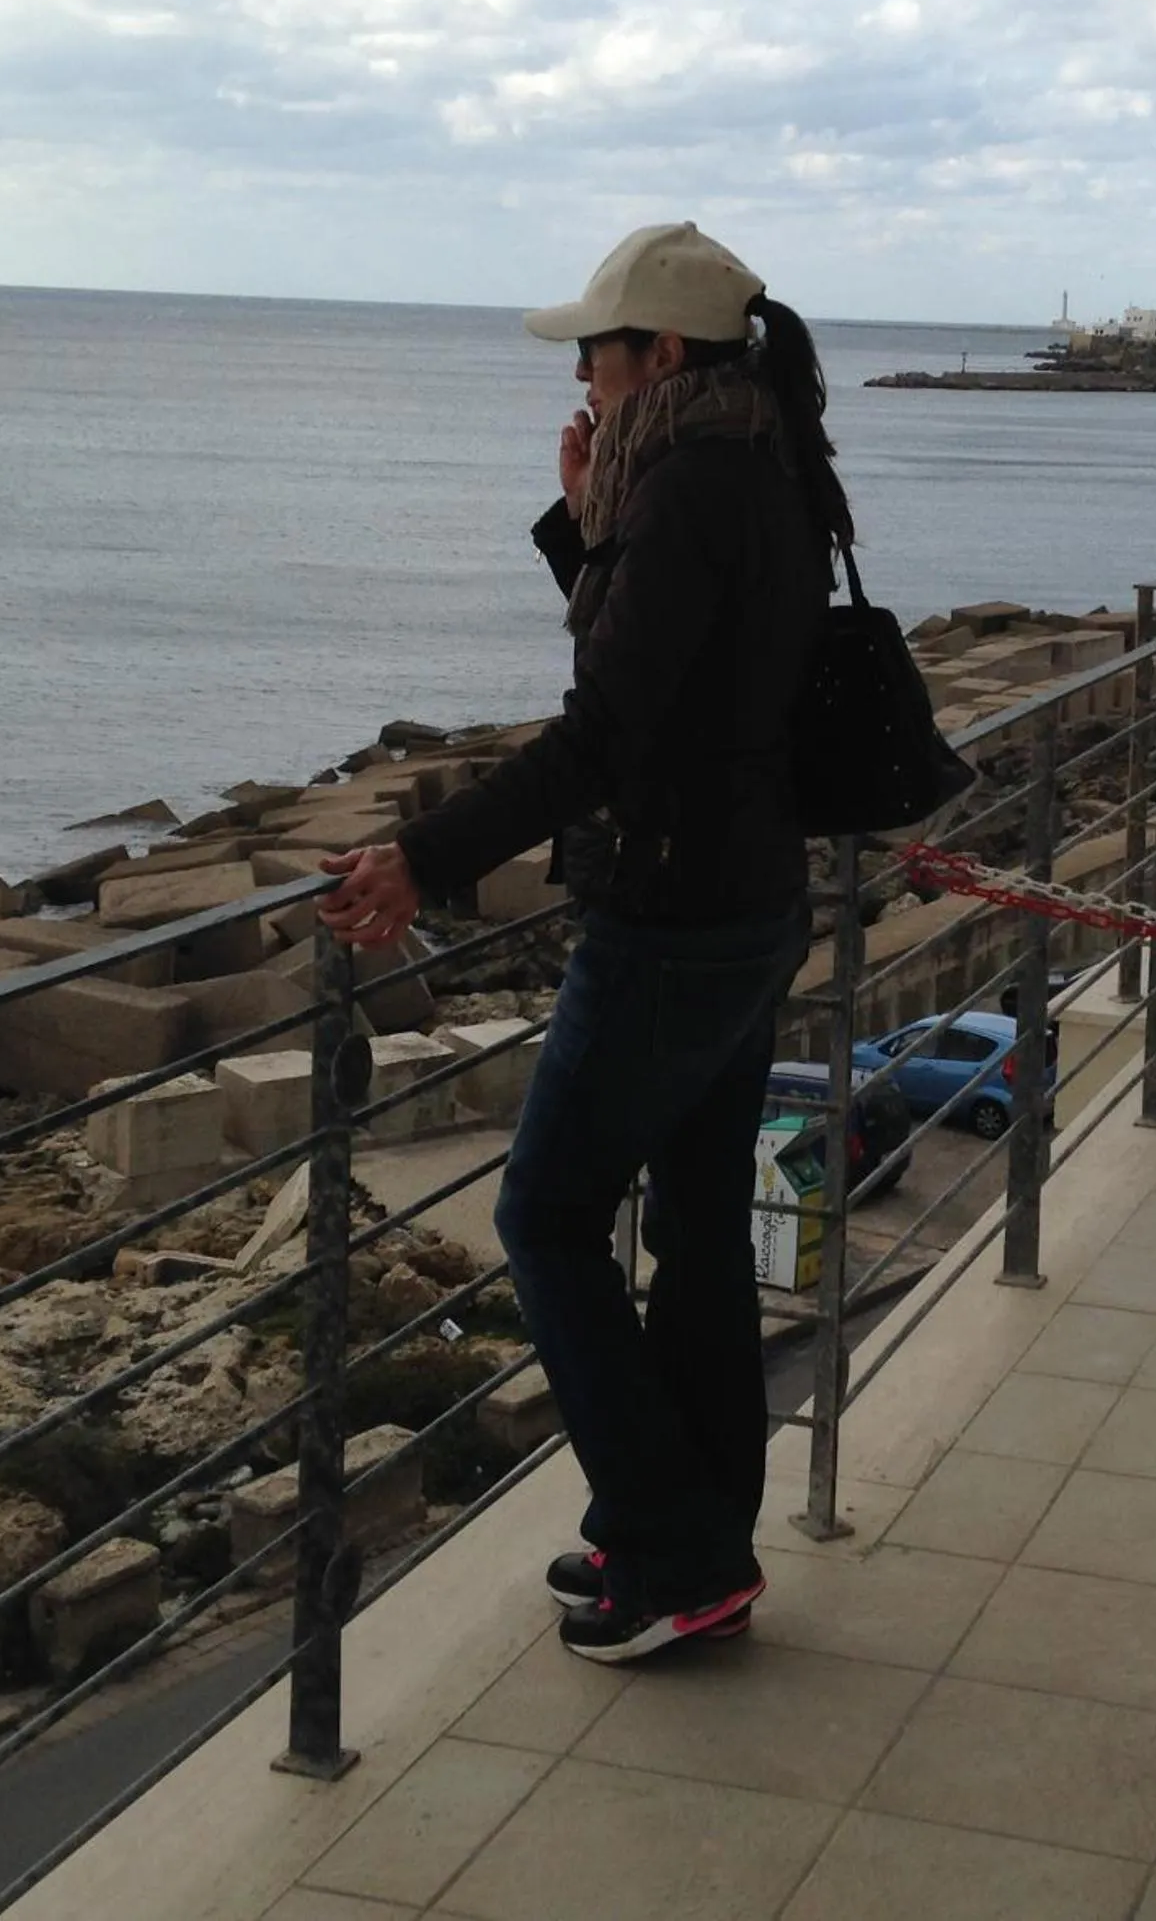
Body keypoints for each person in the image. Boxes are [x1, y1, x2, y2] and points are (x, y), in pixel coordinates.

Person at [318, 220, 851, 1663]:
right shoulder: (765, 462)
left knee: (547, 1219)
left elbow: (608, 730)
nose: (581, 376)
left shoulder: (687, 486)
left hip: (672, 917)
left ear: (658, 352)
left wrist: (423, 857)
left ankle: (674, 1550)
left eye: (594, 352)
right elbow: (681, 673)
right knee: (694, 1235)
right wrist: (583, 524)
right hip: (751, 903)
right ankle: (696, 1543)